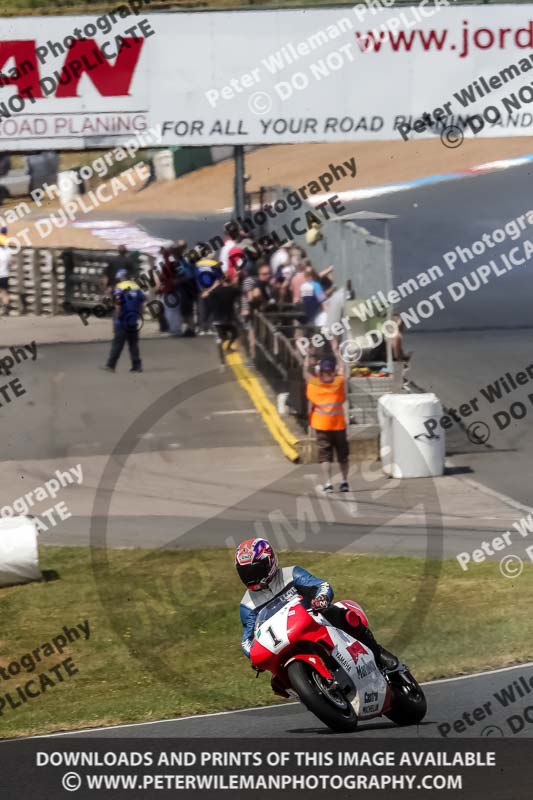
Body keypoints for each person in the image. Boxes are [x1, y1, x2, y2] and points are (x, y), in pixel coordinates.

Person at [235, 537, 398, 690]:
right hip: (284, 641)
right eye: (246, 573)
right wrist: (255, 655)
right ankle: (312, 691)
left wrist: (321, 599)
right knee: (277, 682)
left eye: (256, 571)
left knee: (341, 614)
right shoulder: (247, 605)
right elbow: (247, 639)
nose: (252, 578)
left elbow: (322, 585)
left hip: (314, 621)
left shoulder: (291, 574)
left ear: (269, 562)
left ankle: (379, 655)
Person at [305, 353, 349, 493]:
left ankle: (328, 484)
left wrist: (307, 355)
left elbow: (305, 373)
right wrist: (337, 352)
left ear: (320, 371)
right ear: (333, 370)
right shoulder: (338, 383)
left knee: (325, 456)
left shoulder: (314, 384)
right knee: (342, 455)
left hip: (322, 426)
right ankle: (344, 482)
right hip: (338, 426)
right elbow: (343, 370)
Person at [104, 269, 145, 372]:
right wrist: (139, 315)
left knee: (117, 344)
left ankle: (111, 365)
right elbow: (141, 303)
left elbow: (118, 302)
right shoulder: (137, 287)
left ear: (120, 278)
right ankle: (137, 366)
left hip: (122, 321)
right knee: (133, 344)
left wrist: (117, 316)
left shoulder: (120, 288)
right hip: (133, 321)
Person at [207, 272, 241, 355]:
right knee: (235, 333)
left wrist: (214, 286)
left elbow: (209, 295)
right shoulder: (233, 290)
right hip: (228, 319)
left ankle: (221, 350)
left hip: (217, 319)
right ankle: (228, 347)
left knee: (222, 337)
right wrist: (235, 281)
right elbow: (239, 291)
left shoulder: (216, 291)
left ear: (221, 281)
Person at [0, 243, 11, 316]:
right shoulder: (8, 251)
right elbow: (10, 263)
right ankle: (6, 309)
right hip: (5, 275)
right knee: (5, 292)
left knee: (2, 292)